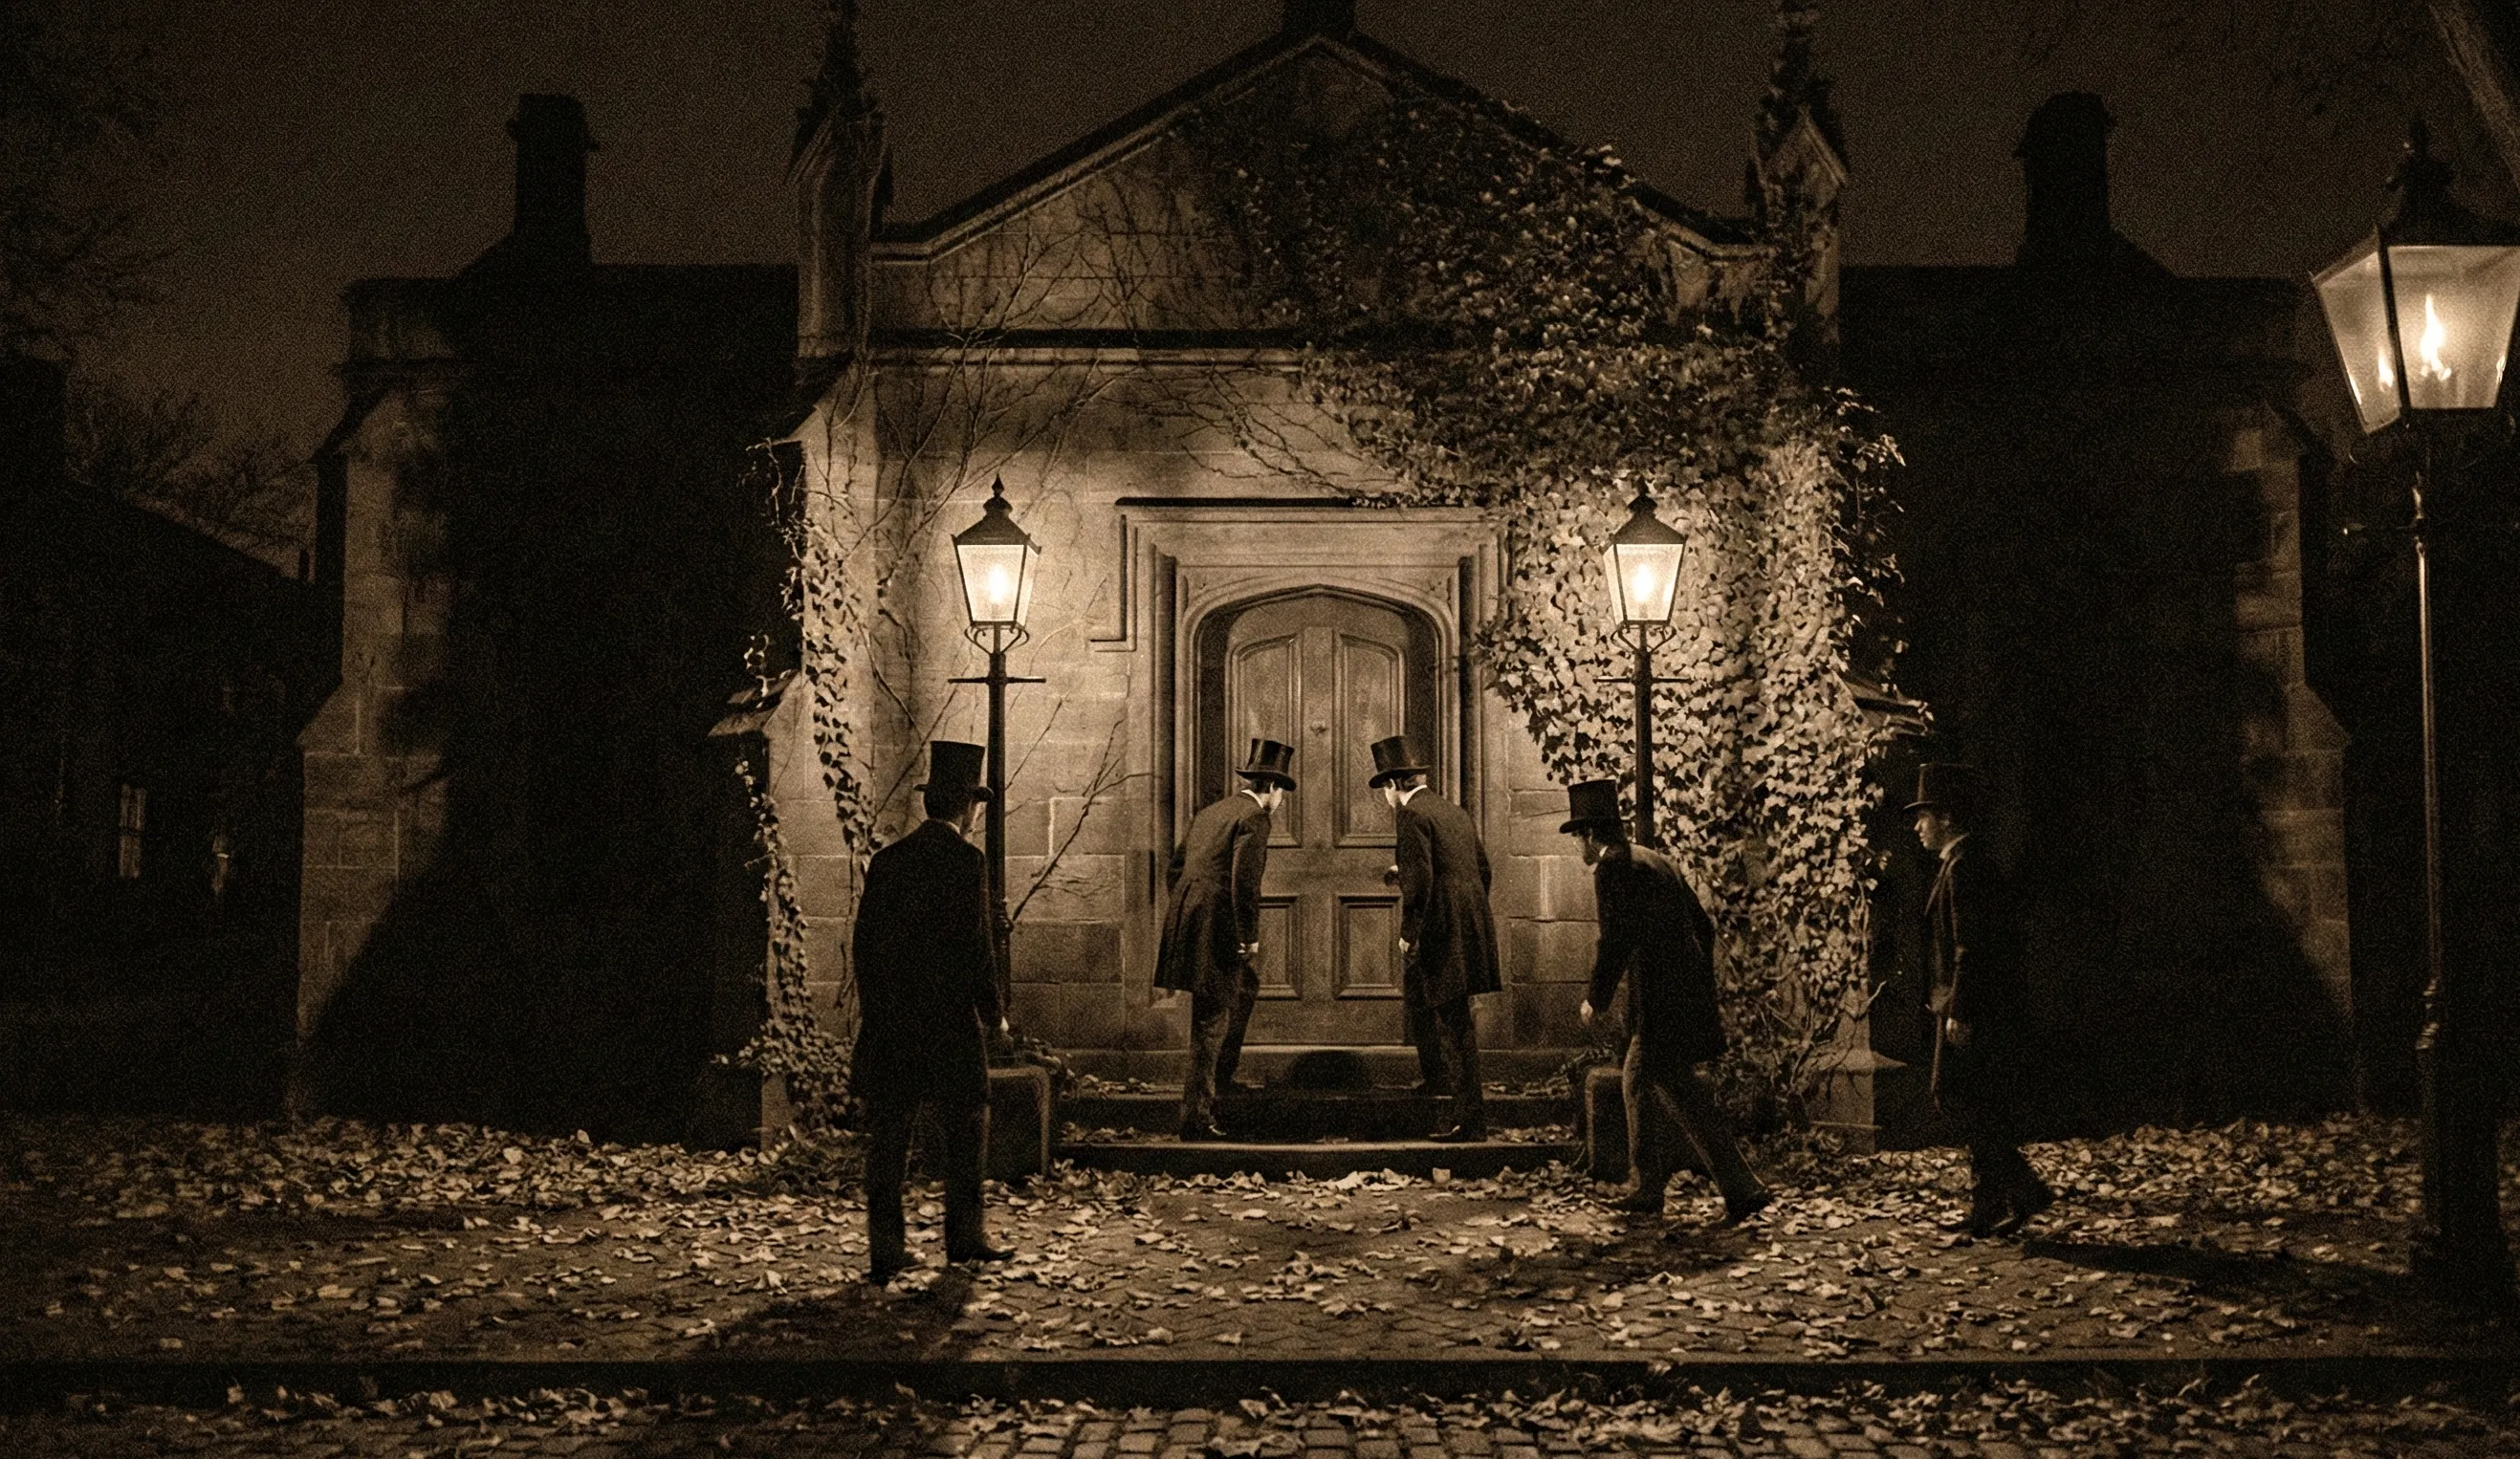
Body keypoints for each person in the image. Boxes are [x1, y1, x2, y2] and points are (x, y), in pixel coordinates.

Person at [1562, 778, 1772, 1225]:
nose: (1577, 845)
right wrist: (1692, 978)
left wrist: (1595, 999)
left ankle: (1664, 1189)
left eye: (1578, 835)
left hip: (1660, 1001)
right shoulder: (1656, 860)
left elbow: (1614, 940)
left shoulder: (1612, 868)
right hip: (1679, 996)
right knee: (1658, 1086)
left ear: (1591, 835)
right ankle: (1721, 1187)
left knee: (1656, 1085)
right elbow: (1703, 926)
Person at [848, 740, 1014, 1282]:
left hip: (894, 1022)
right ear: (967, 808)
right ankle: (964, 1240)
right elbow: (976, 948)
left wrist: (877, 1010)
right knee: (967, 1131)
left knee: (888, 1142)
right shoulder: (967, 863)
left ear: (928, 804)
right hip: (946, 1024)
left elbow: (865, 945)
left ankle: (885, 1249)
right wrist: (994, 1014)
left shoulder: (888, 862)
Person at [1910, 762, 2053, 1237]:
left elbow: (1970, 945)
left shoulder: (1966, 867)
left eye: (1924, 816)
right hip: (1971, 1003)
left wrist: (1961, 1010)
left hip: (1971, 1006)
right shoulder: (1965, 863)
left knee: (1962, 1097)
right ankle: (1995, 1200)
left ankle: (2014, 1190)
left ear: (1946, 817)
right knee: (1972, 1101)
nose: (1918, 827)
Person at [1157, 738, 1295, 1140]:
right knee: (1211, 1019)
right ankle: (1196, 1118)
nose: (1281, 800)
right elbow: (1244, 883)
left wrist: (1189, 911)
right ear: (1271, 788)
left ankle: (1223, 1077)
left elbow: (1176, 867)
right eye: (1282, 792)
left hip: (1192, 918)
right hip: (1218, 924)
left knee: (1243, 989)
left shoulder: (1212, 812)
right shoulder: (1255, 818)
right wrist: (1247, 936)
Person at [1369, 735, 1501, 1142]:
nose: (1387, 798)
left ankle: (1470, 1121)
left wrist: (1410, 934)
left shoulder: (1410, 816)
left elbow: (1424, 882)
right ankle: (1439, 1081)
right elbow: (1480, 868)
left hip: (1439, 929)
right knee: (1428, 1004)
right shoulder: (1453, 812)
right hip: (1468, 923)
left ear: (1395, 785)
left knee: (1454, 1024)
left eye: (1386, 790)